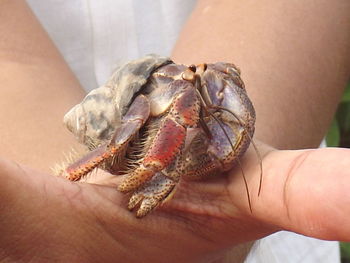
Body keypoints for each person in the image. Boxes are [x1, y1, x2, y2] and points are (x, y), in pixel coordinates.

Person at [0, 0, 349, 262]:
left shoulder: (197, 84)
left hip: (273, 213)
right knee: (175, 110)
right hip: (48, 154)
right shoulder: (171, 93)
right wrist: (78, 210)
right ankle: (146, 175)